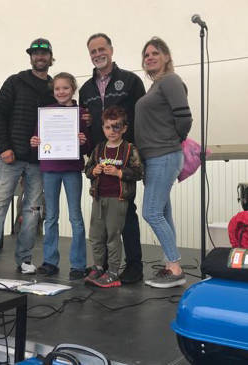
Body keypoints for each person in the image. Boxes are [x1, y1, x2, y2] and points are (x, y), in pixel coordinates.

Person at [0, 38, 56, 274]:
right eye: (35, 53)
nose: (39, 57)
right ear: (30, 57)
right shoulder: (15, 81)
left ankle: (24, 259)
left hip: (39, 162)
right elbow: (0, 115)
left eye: (43, 54)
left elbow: (60, 119)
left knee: (32, 212)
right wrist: (4, 147)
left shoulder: (55, 87)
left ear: (50, 57)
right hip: (10, 158)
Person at [79, 33, 146, 283]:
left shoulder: (130, 81)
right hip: (100, 160)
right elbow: (86, 123)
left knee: (127, 213)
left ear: (111, 50)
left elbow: (142, 118)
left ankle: (134, 266)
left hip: (124, 161)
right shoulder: (86, 89)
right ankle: (104, 266)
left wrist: (136, 154)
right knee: (101, 218)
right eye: (93, 51)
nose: (98, 54)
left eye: (101, 49)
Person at [135, 37, 192, 288]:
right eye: (146, 55)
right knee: (164, 212)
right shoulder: (156, 85)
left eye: (155, 53)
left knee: (151, 212)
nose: (149, 57)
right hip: (154, 157)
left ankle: (175, 267)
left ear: (167, 57)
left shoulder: (170, 81)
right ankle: (171, 266)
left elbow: (184, 117)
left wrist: (173, 140)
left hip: (164, 155)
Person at [30, 72, 90, 280]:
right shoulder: (46, 113)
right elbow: (38, 138)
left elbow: (88, 143)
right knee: (51, 217)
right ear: (53, 91)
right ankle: (50, 261)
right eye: (57, 89)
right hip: (50, 169)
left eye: (65, 88)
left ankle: (79, 264)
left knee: (75, 217)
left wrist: (84, 141)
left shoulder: (81, 113)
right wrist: (35, 142)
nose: (61, 92)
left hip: (72, 168)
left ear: (73, 89)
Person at [84, 106, 143, 288]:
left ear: (124, 128)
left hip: (118, 199)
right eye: (108, 127)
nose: (112, 131)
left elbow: (139, 172)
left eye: (116, 127)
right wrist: (93, 171)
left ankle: (113, 272)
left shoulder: (129, 149)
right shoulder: (99, 148)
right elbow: (88, 170)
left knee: (113, 236)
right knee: (96, 235)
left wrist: (118, 173)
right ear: (103, 128)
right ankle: (99, 267)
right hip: (98, 197)